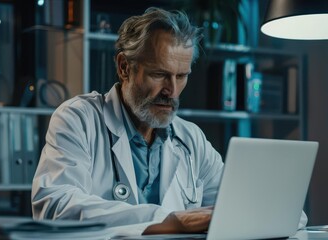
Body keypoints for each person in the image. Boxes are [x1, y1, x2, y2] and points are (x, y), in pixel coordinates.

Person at [31, 7, 307, 235]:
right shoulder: (79, 119)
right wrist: (171, 221)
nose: (172, 91)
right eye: (159, 74)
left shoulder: (190, 139)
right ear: (124, 67)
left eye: (181, 76)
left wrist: (279, 213)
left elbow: (273, 212)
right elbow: (55, 205)